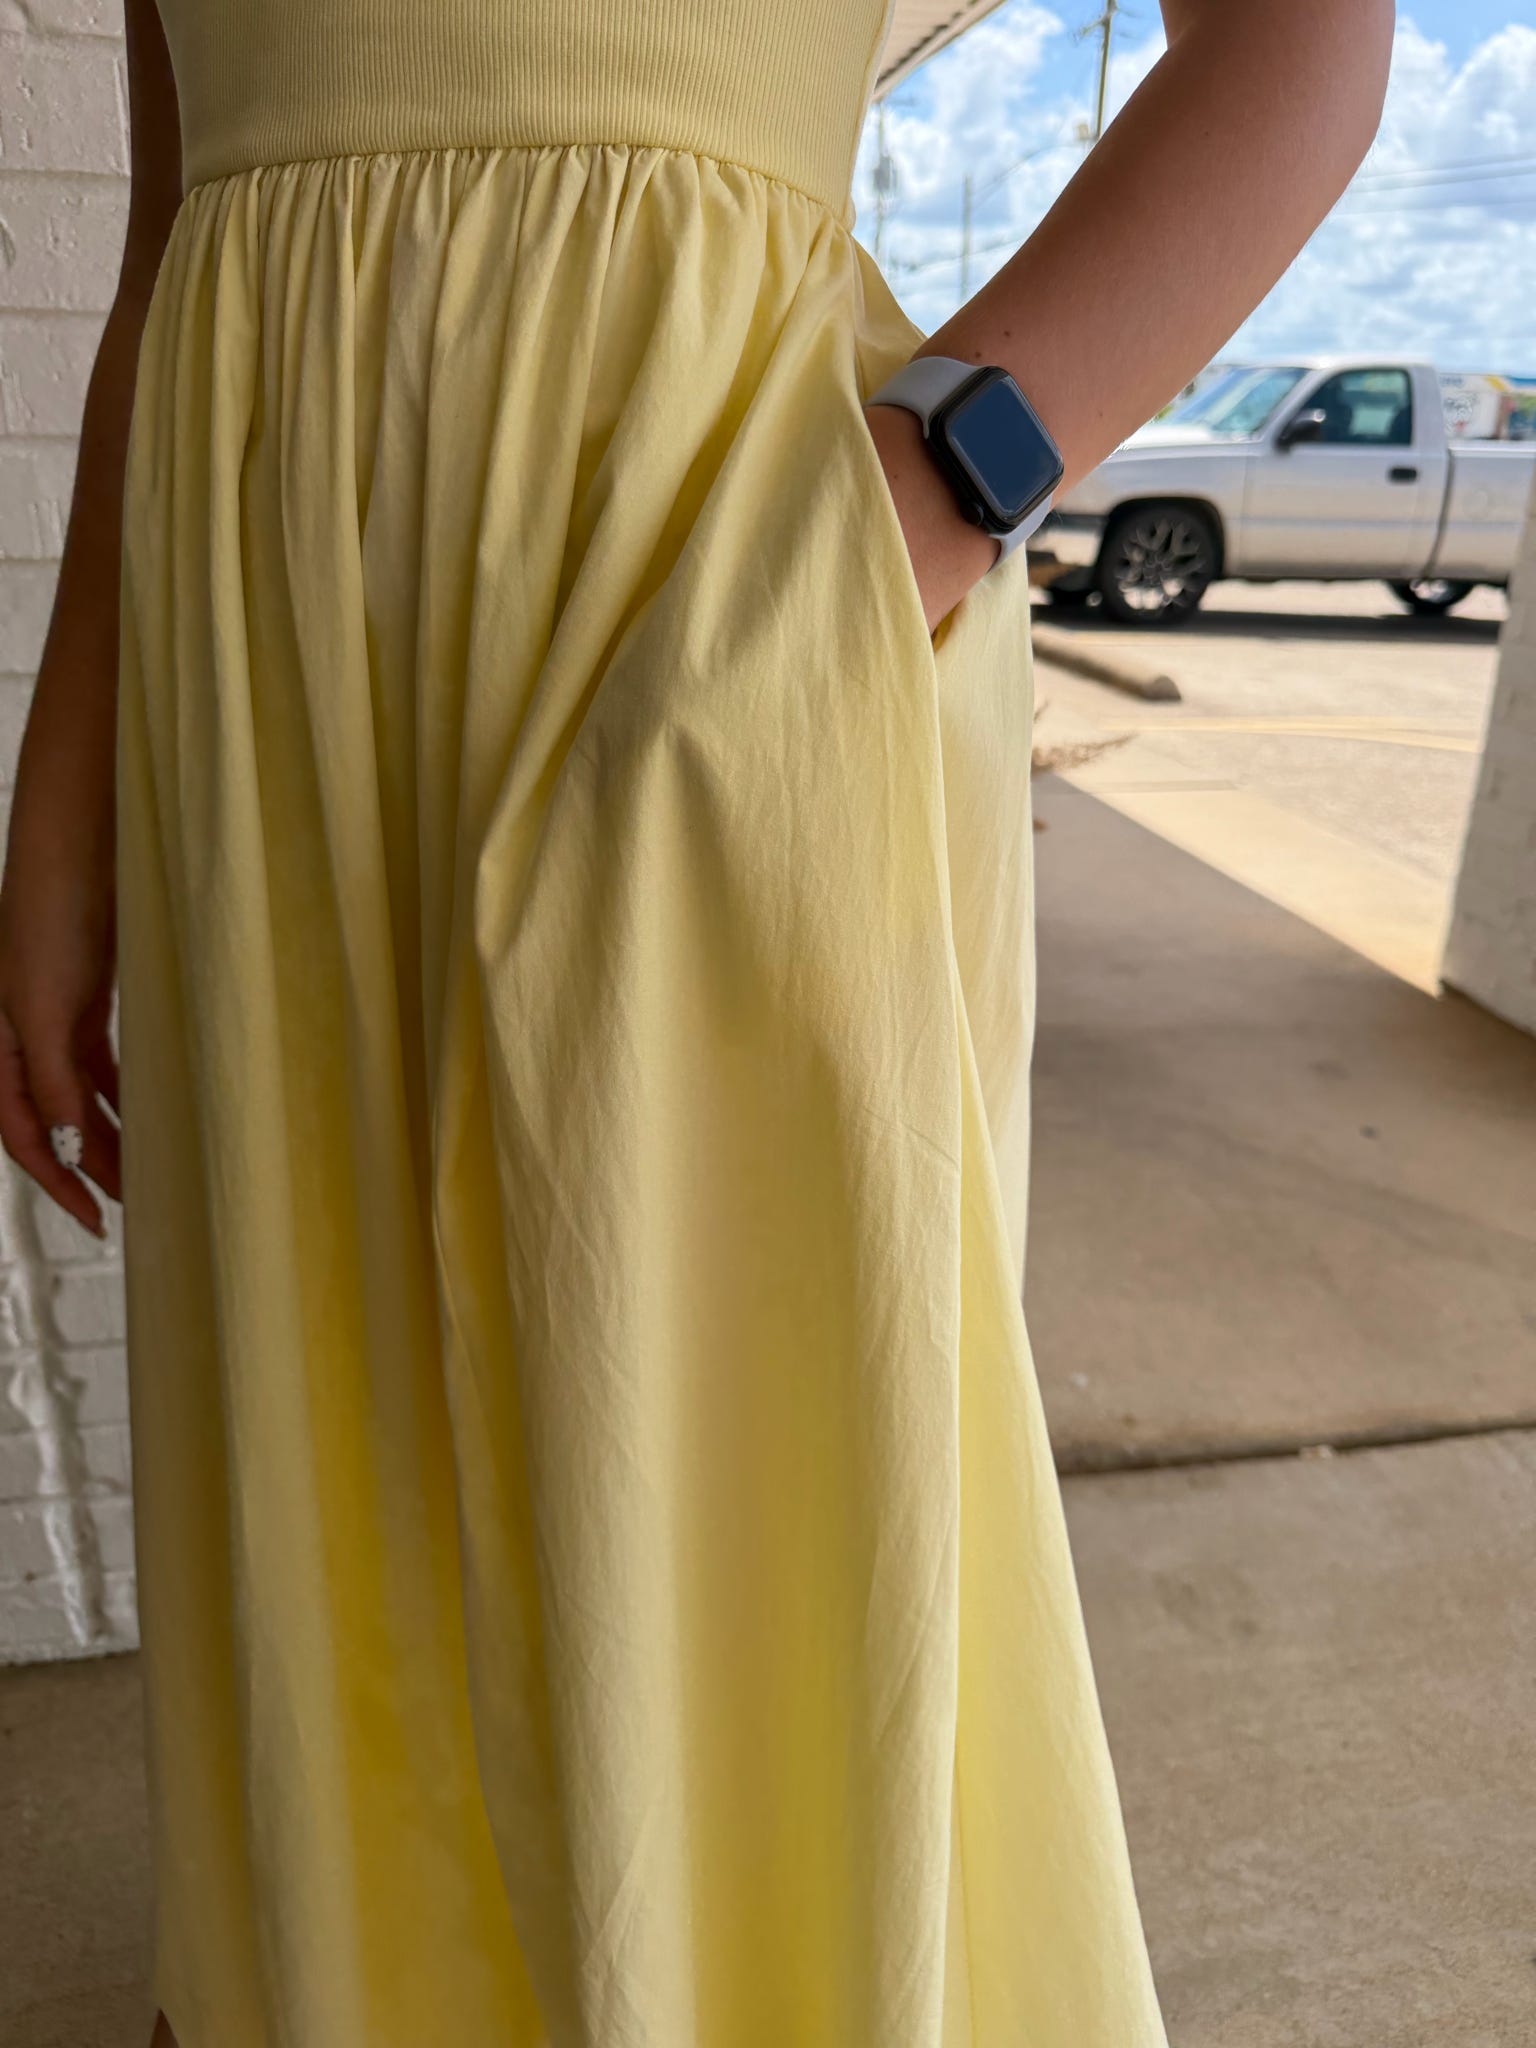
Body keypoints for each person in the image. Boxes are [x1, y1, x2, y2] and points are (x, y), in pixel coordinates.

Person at [0, 1, 1392, 2043]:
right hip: (265, 654)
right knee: (332, 1429)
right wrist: (65, 792)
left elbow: (1305, 39)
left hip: (711, 596)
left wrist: (920, 497)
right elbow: (165, 234)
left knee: (699, 1486)